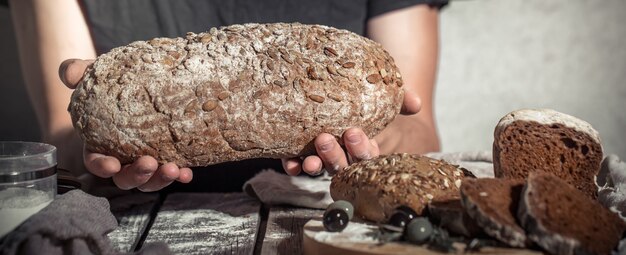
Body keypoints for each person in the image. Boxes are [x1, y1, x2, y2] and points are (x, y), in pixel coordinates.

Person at [9, 0, 444, 194]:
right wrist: (100, 162)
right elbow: (64, 140)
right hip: (138, 221)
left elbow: (419, 128)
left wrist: (370, 148)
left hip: (318, 217)